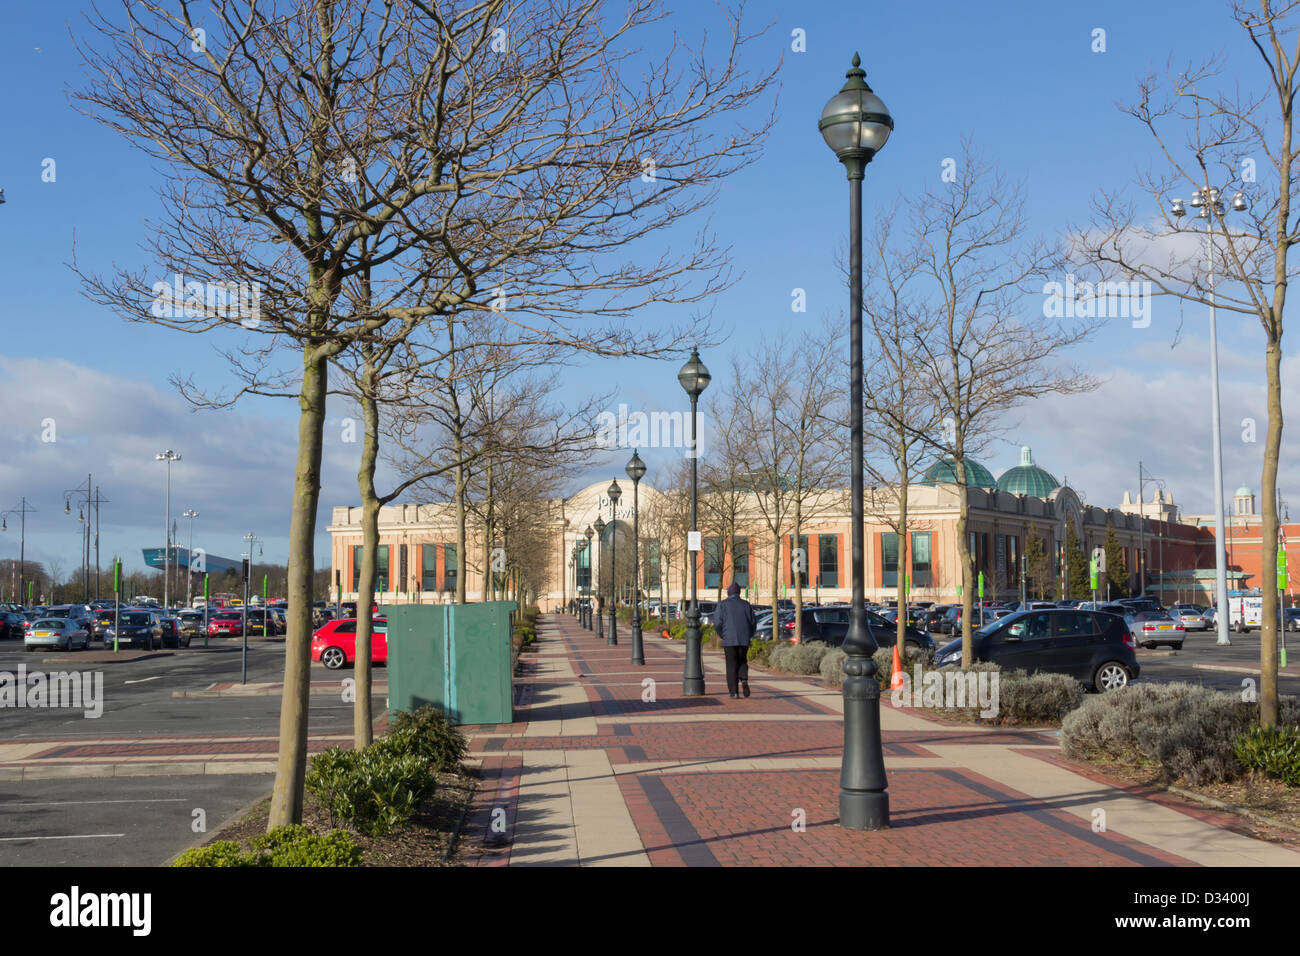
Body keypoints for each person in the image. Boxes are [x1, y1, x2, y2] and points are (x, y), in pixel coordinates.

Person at [713, 581, 756, 699]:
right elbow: (753, 623)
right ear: (739, 592)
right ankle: (744, 679)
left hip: (729, 639)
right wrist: (749, 635)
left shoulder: (723, 605)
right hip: (744, 639)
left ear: (728, 592)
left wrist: (723, 635)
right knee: (742, 661)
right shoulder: (746, 605)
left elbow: (717, 623)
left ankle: (734, 692)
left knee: (731, 665)